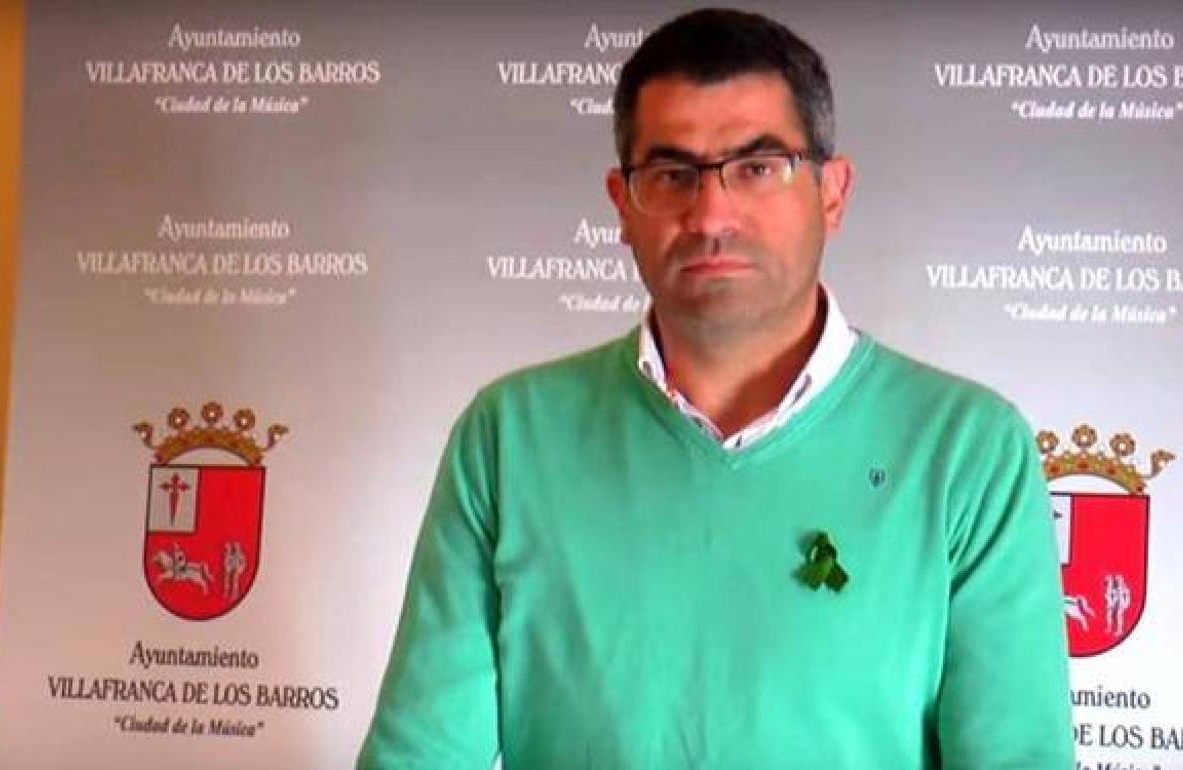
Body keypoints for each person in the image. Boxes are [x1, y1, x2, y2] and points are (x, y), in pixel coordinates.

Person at [358, 8, 1073, 769]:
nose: (711, 215)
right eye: (672, 175)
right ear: (622, 205)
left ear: (832, 193)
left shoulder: (966, 449)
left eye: (757, 168)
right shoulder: (509, 437)